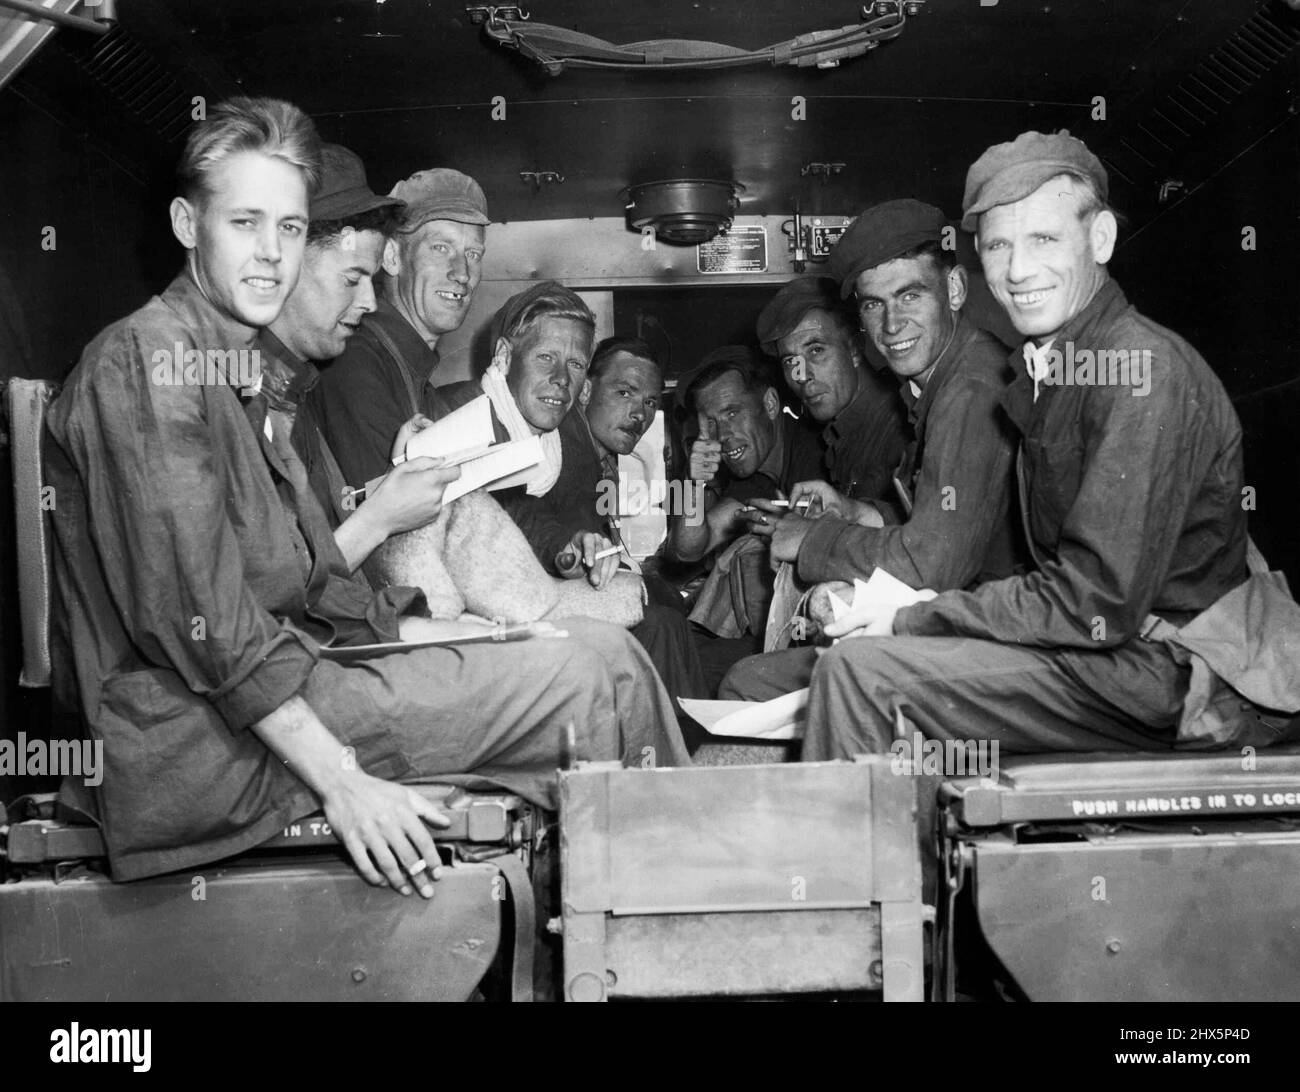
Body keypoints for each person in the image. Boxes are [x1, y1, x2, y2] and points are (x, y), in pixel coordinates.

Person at [43, 97, 688, 895]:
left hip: (277, 691)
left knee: (598, 649)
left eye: (287, 227)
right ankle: (669, 914)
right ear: (186, 224)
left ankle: (687, 893)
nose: (271, 255)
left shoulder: (237, 385)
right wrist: (342, 780)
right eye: (245, 223)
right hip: (196, 743)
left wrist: (454, 634)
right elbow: (206, 629)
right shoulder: (148, 363)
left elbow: (303, 589)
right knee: (589, 681)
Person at [799, 130, 1263, 766]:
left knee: (858, 673)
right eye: (998, 245)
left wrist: (913, 617)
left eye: (1044, 238)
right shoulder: (1060, 370)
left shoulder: (1139, 371)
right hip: (1112, 656)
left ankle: (852, 866)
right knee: (860, 657)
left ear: (1099, 239)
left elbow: (1093, 603)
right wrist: (907, 608)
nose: (1018, 270)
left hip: (1166, 675)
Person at [721, 200, 1021, 703]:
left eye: (909, 295)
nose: (892, 323)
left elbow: (932, 562)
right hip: (964, 617)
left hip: (990, 635)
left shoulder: (971, 390)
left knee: (748, 684)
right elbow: (941, 519)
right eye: (873, 304)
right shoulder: (938, 384)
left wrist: (813, 540)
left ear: (953, 289)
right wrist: (858, 512)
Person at [310, 166, 489, 489]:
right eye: (441, 248)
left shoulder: (412, 372)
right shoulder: (355, 360)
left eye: (473, 254)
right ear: (392, 257)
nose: (462, 273)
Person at [754, 276, 908, 509]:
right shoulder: (843, 432)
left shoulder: (898, 430)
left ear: (854, 349)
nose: (801, 375)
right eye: (789, 362)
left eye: (816, 350)